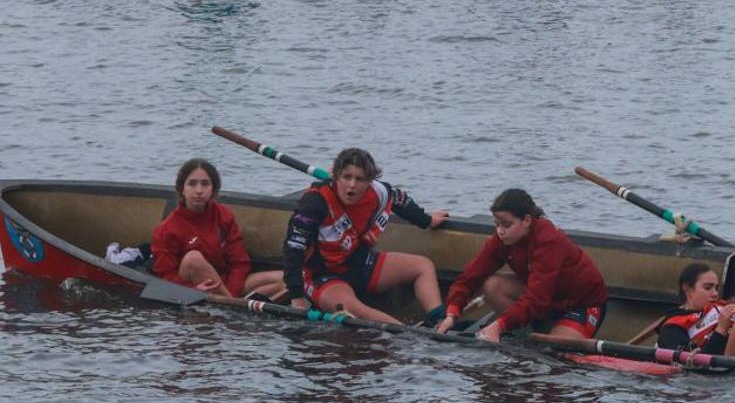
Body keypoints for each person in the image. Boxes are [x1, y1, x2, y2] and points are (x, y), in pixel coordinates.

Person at [282, 148, 449, 324]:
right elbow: (293, 248)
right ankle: (406, 334)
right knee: (352, 308)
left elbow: (401, 202)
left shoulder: (379, 192)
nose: (352, 185)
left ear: (369, 181)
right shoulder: (314, 202)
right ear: (336, 176)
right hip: (321, 274)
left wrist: (427, 220)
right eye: (347, 177)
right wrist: (297, 296)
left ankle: (440, 322)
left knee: (423, 266)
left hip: (358, 263)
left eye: (359, 179)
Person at [435, 189, 607, 343]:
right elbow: (470, 276)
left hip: (581, 304)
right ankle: (521, 332)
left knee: (557, 354)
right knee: (492, 285)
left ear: (526, 220)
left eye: (506, 224)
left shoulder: (548, 241)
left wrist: (499, 325)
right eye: (497, 224)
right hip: (547, 300)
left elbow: (537, 298)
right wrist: (452, 313)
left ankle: (512, 328)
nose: (500, 231)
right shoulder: (503, 239)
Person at [152, 159, 286, 300]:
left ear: (213, 189)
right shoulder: (166, 229)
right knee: (193, 259)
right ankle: (234, 307)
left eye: (205, 184)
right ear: (182, 189)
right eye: (192, 184)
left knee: (286, 279)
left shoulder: (224, 215)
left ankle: (232, 304)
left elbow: (239, 262)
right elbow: (165, 276)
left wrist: (232, 291)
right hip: (193, 288)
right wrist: (192, 290)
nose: (199, 190)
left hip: (226, 285)